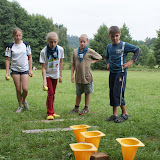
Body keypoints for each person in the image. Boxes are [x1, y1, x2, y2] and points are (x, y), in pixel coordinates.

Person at [105, 26, 141, 123]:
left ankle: (125, 114)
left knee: (118, 93)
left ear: (120, 35)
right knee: (112, 93)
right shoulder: (108, 47)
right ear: (109, 36)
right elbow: (107, 57)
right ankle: (114, 114)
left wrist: (130, 62)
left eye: (116, 36)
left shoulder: (124, 45)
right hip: (112, 73)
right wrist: (108, 63)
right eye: (112, 36)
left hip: (120, 73)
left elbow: (138, 50)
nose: (115, 38)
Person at [68, 34, 102, 115]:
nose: (82, 43)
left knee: (87, 92)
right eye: (81, 42)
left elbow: (99, 57)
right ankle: (76, 108)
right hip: (78, 76)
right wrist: (72, 75)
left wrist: (92, 61)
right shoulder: (75, 52)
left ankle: (86, 108)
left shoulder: (90, 51)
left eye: (84, 42)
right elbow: (72, 64)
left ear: (87, 42)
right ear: (79, 42)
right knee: (78, 93)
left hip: (87, 76)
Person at [5, 27, 33, 113]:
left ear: (21, 35)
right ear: (13, 36)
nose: (18, 37)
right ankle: (20, 106)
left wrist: (30, 69)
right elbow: (7, 60)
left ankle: (24, 100)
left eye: (19, 35)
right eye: (16, 35)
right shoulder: (10, 47)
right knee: (18, 89)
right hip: (15, 70)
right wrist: (7, 73)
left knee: (25, 89)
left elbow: (30, 57)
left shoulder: (26, 45)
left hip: (24, 69)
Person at [39, 32, 64, 120]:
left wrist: (60, 75)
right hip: (48, 75)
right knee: (50, 93)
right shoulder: (43, 52)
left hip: (55, 75)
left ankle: (52, 111)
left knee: (53, 94)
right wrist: (44, 81)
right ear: (47, 41)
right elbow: (43, 68)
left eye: (55, 42)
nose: (53, 44)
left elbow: (61, 63)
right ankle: (49, 113)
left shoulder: (60, 49)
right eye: (51, 42)